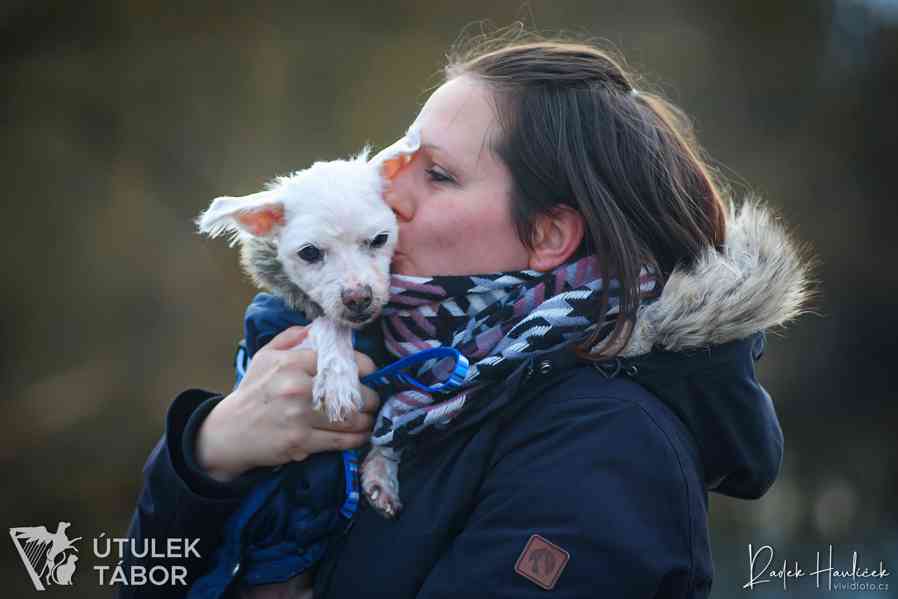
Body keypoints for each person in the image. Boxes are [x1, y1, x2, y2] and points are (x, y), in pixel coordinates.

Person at [118, 32, 812, 599]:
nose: (391, 198)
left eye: (438, 175)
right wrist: (209, 455)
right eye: (400, 161)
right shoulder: (375, 365)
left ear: (547, 236)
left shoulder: (606, 452)